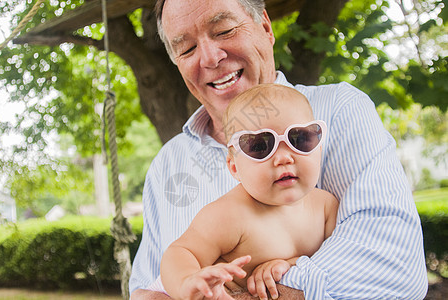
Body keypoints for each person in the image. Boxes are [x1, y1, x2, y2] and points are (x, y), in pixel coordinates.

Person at [129, 0, 428, 299]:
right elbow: (146, 287)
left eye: (224, 30)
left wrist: (287, 271)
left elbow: (393, 265)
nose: (209, 57)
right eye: (187, 49)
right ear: (232, 164)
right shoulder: (167, 163)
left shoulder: (339, 110)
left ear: (265, 27)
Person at [159, 84, 338, 300]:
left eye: (299, 139)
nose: (284, 158)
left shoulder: (327, 207)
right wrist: (187, 282)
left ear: (318, 148)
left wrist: (292, 265)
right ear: (234, 167)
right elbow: (180, 252)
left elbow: (338, 260)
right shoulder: (229, 214)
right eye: (260, 146)